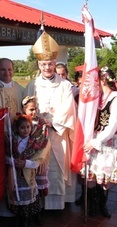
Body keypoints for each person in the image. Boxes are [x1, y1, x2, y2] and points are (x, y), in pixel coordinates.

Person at [25, 30, 77, 210]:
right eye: (44, 64)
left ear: (55, 63)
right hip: (37, 134)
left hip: (57, 133)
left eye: (50, 64)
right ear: (39, 65)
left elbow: (69, 107)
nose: (47, 67)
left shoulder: (64, 85)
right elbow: (26, 108)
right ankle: (38, 202)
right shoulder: (32, 84)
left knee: (56, 168)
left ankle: (57, 205)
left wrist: (52, 122)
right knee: (39, 168)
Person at [82, 67, 117, 218]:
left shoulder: (116, 98)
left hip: (105, 142)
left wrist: (97, 141)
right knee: (91, 175)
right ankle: (92, 205)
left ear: (103, 80)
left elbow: (113, 125)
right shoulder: (96, 96)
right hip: (92, 139)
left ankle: (102, 205)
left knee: (104, 177)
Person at [6, 114, 49, 227]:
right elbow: (5, 156)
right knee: (17, 197)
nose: (26, 130)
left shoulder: (34, 142)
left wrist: (25, 163)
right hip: (14, 175)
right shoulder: (12, 141)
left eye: (28, 127)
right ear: (17, 128)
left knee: (29, 196)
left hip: (28, 174)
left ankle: (27, 219)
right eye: (22, 128)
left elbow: (38, 160)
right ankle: (18, 219)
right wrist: (13, 161)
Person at [21, 96, 51, 220]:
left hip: (38, 160)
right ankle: (28, 212)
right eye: (31, 109)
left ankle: (38, 212)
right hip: (25, 160)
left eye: (36, 109)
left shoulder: (41, 124)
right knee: (29, 187)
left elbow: (44, 142)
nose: (34, 112)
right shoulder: (21, 123)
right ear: (24, 110)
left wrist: (37, 159)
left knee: (39, 186)